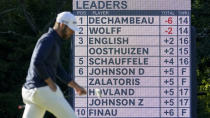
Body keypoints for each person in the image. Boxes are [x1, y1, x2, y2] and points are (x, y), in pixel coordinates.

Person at [21, 11, 86, 118]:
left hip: (31, 92)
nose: (72, 32)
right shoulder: (49, 39)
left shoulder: (54, 41)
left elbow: (58, 69)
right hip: (42, 90)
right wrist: (49, 82)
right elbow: (37, 62)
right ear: (62, 25)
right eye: (71, 29)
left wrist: (76, 87)